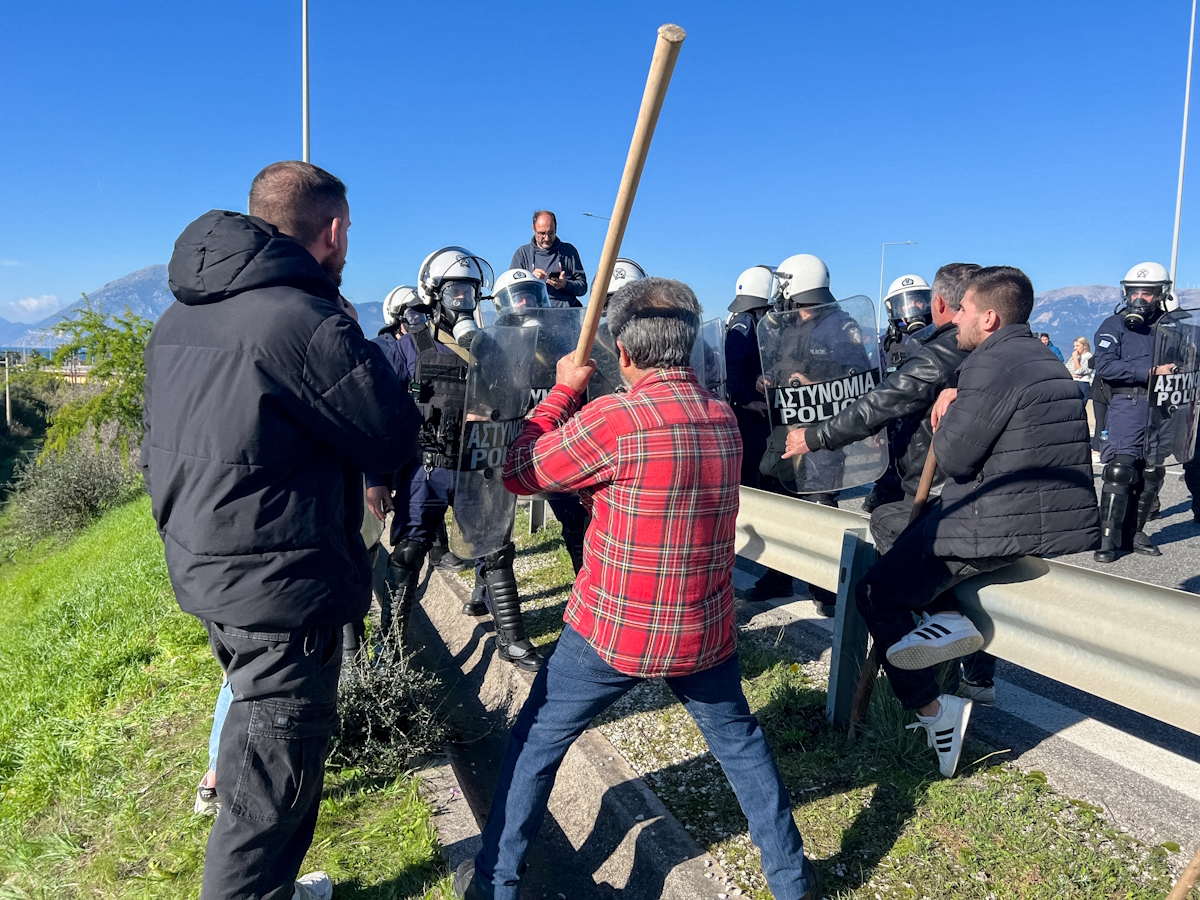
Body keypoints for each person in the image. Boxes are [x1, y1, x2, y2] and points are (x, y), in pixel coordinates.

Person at [454, 277, 821, 900]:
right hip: (703, 626)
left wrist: (559, 397)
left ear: (621, 351)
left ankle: (495, 883)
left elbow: (519, 471)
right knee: (741, 745)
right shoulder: (722, 417)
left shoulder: (615, 419)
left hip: (611, 629)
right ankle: (792, 882)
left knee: (537, 739)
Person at [143, 160, 421, 900]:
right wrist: (348, 332)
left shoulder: (182, 314)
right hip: (280, 584)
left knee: (258, 750)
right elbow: (391, 434)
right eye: (349, 232)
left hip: (210, 565)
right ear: (330, 231)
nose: (348, 244)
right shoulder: (304, 319)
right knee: (272, 786)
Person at [855, 266, 1098, 777]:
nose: (955, 317)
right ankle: (945, 620)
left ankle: (935, 708)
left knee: (875, 592)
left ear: (988, 317)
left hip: (994, 523)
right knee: (892, 520)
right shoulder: (1043, 358)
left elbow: (958, 458)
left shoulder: (988, 364)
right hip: (1046, 520)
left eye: (963, 309)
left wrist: (946, 407)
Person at [366, 250, 544, 671]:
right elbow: (375, 414)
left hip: (477, 467)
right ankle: (391, 645)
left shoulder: (493, 350)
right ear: (434, 295)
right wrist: (375, 478)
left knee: (495, 550)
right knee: (408, 553)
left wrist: (492, 411)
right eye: (455, 291)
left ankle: (512, 639)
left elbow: (515, 400)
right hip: (424, 469)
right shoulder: (405, 348)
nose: (463, 300)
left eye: (470, 291)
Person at [1092, 262, 1177, 562]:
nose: (1139, 299)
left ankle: (1135, 532)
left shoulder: (1171, 327)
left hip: (1162, 408)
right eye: (1133, 293)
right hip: (1127, 405)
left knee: (1152, 471)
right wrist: (1151, 371)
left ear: (1162, 294)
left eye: (1147, 294)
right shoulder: (1113, 326)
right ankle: (1107, 540)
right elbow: (1104, 366)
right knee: (1120, 470)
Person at [866, 274, 936, 512]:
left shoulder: (942, 339)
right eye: (906, 303)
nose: (913, 308)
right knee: (885, 499)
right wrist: (876, 428)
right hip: (894, 429)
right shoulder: (886, 344)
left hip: (927, 429)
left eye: (919, 301)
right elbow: (877, 387)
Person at [510, 210, 588, 308]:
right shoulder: (522, 254)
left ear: (556, 228)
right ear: (533, 229)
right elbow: (513, 290)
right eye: (542, 233)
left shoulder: (569, 251)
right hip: (535, 314)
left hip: (567, 314)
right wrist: (530, 279)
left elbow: (583, 287)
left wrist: (566, 285)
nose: (547, 238)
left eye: (551, 233)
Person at [1067, 336, 1094, 405]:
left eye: (1077, 346)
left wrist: (1075, 358)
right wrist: (1072, 374)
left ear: (1085, 346)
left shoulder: (1089, 357)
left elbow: (1079, 371)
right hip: (1072, 382)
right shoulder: (1073, 357)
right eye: (1074, 346)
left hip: (1082, 384)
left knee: (1080, 407)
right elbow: (1066, 369)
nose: (1075, 348)